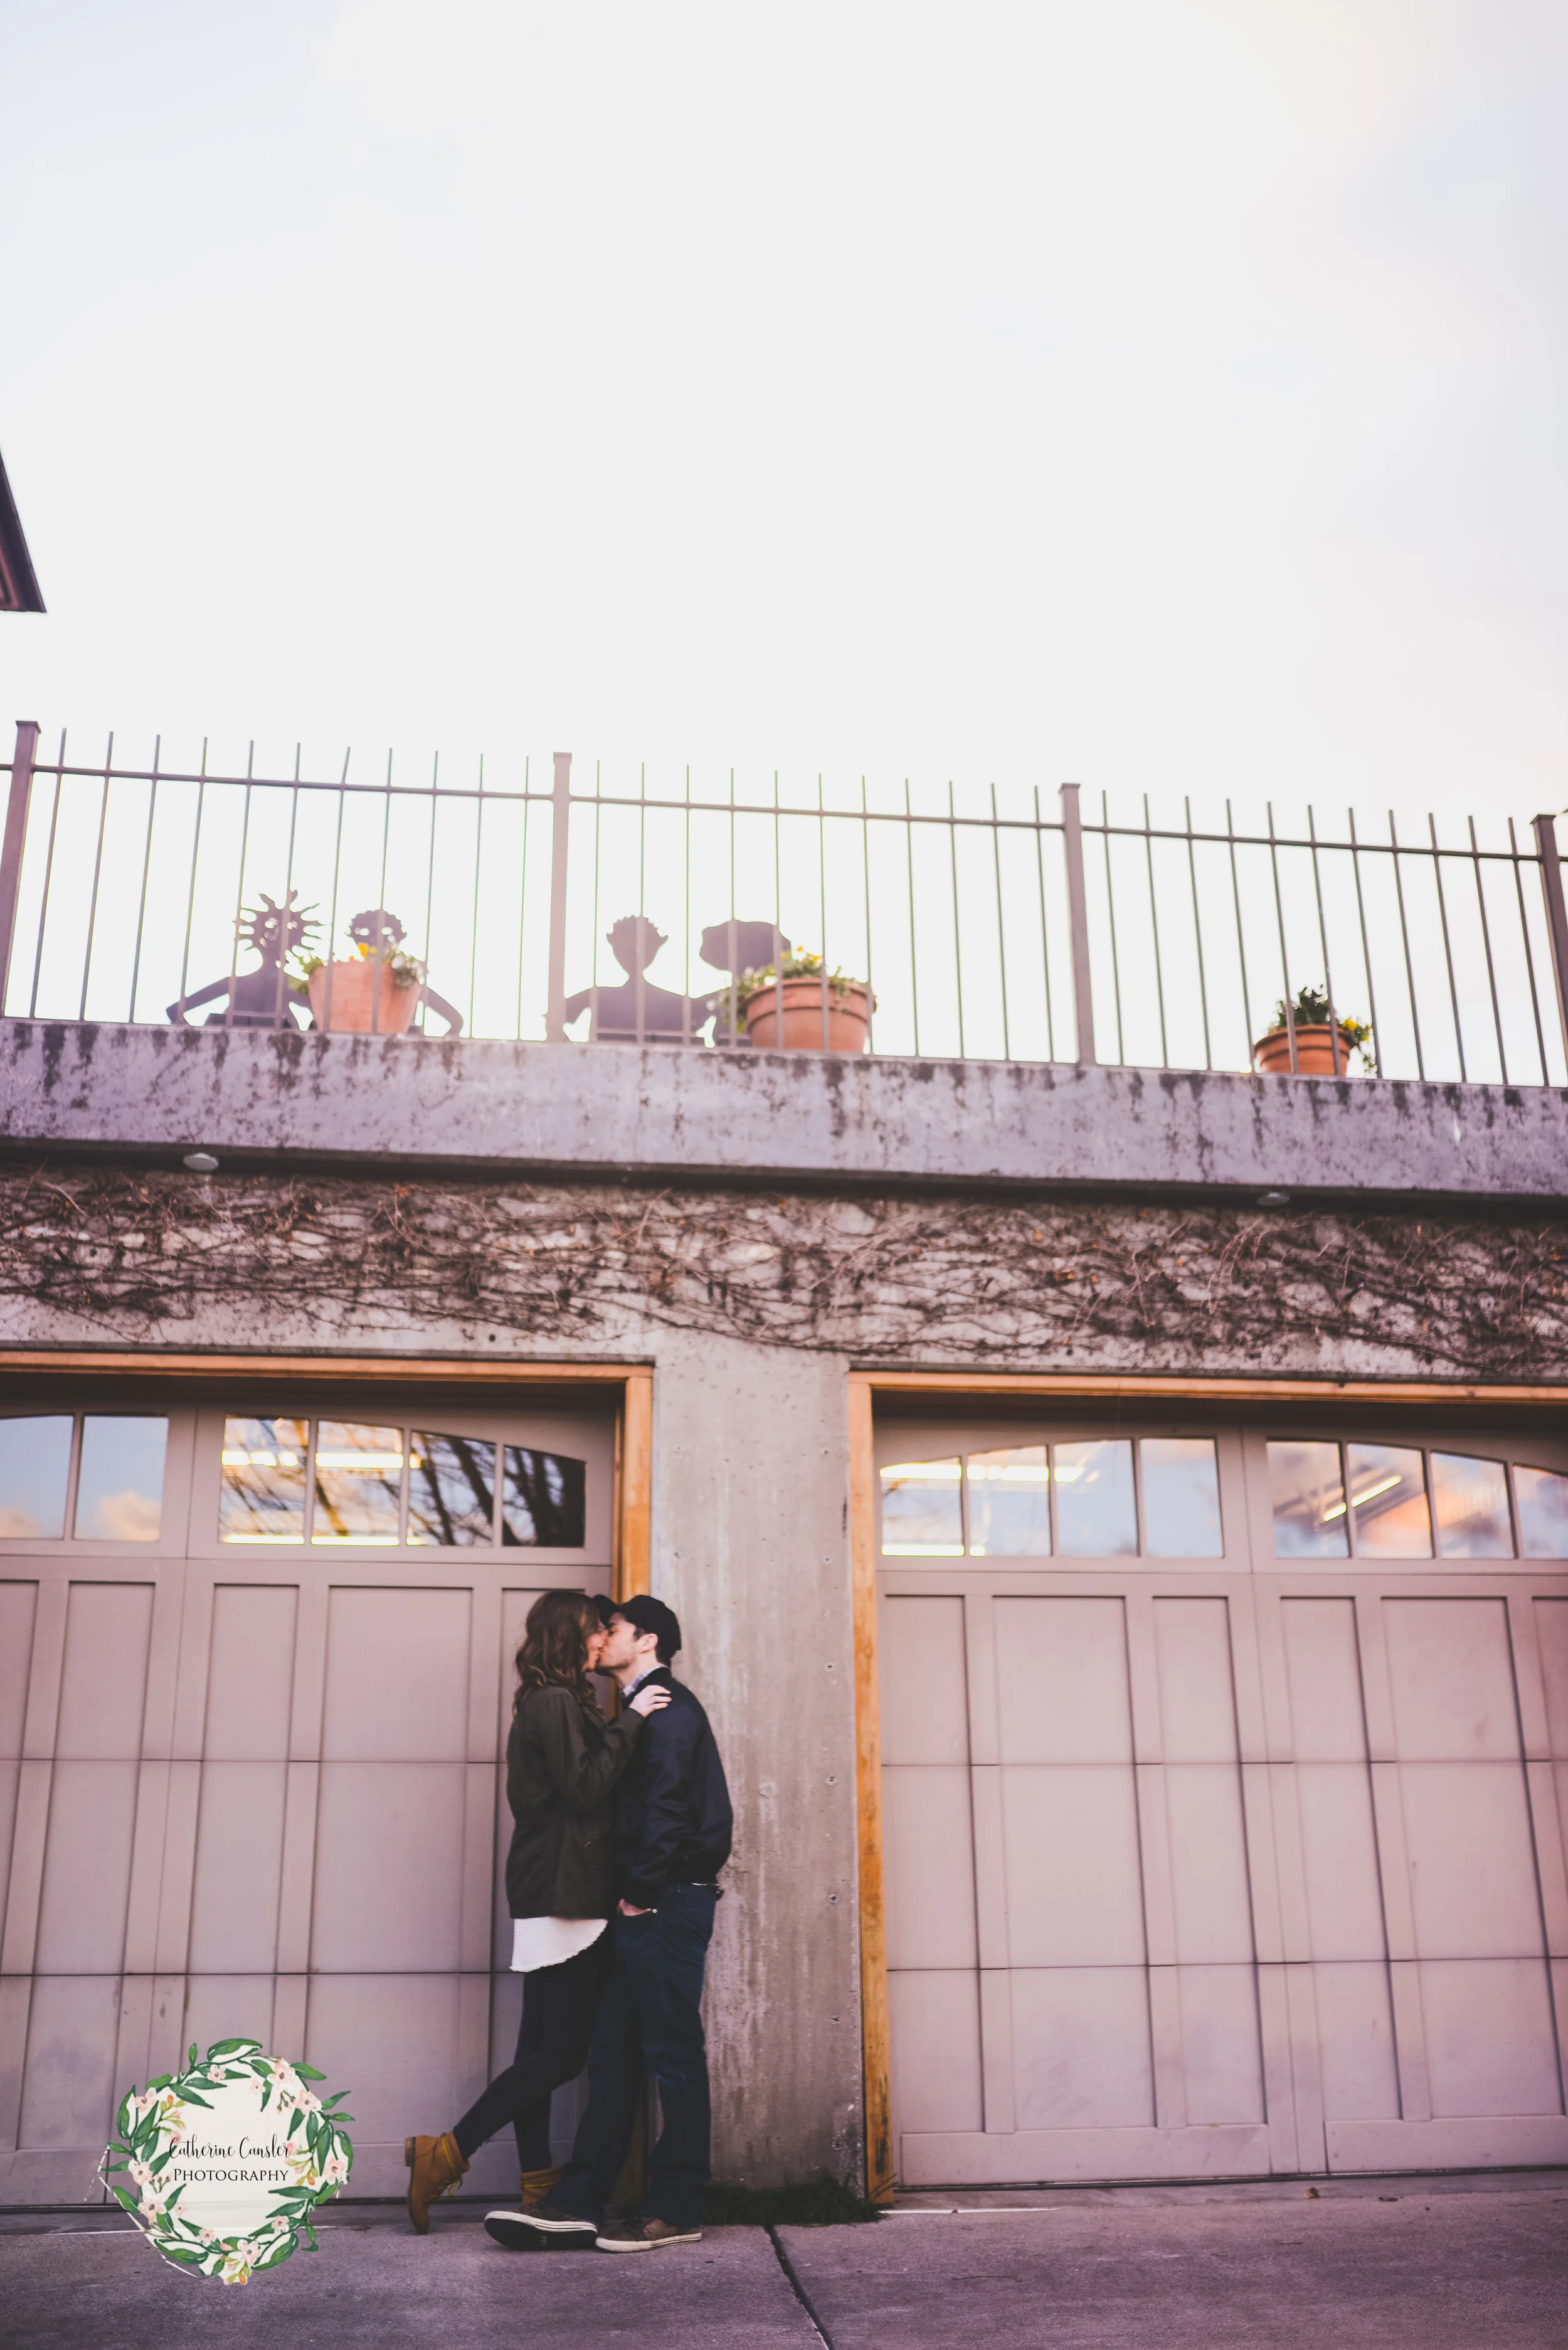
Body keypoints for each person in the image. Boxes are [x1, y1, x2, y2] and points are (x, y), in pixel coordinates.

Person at [402, 1589, 669, 2232]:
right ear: (569, 1636)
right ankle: (447, 2151)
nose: (603, 1638)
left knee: (538, 2049)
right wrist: (632, 1719)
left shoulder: (560, 1699)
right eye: (594, 1629)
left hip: (558, 1886)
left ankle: (536, 2181)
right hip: (562, 1891)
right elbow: (585, 1787)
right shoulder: (554, 1702)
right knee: (563, 2055)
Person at [489, 1593, 733, 2255]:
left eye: (613, 1627)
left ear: (646, 1640)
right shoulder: (632, 1710)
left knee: (672, 2052)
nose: (601, 1636)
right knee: (612, 2052)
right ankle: (578, 2201)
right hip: (638, 1903)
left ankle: (677, 2206)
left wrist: (642, 1894)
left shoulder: (669, 1709)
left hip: (664, 1901)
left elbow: (670, 1810)